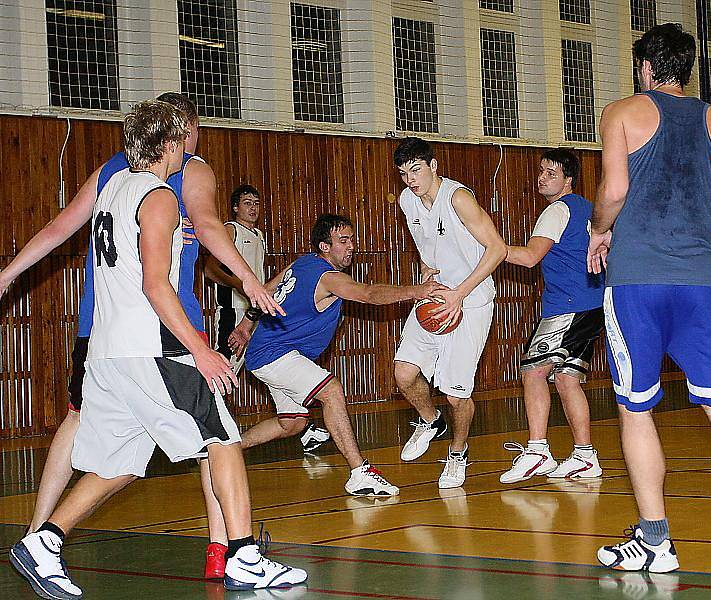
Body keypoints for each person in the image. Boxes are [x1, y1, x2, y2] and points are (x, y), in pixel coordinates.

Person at [9, 100, 306, 600]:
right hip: (153, 347)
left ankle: (45, 540)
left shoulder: (113, 190)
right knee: (223, 437)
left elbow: (80, 238)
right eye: (184, 139)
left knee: (121, 463)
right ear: (171, 144)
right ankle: (242, 556)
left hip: (105, 351)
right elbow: (155, 285)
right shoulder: (160, 196)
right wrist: (200, 348)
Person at [589, 24, 711, 573]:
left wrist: (600, 230)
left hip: (636, 281)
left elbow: (615, 190)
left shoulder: (623, 112)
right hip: (702, 284)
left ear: (645, 67)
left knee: (636, 410)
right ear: (687, 69)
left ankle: (655, 541)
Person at [229, 214, 445, 496]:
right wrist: (416, 291)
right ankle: (360, 472)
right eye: (343, 241)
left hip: (268, 351)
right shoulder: (329, 277)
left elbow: (266, 289)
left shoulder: (302, 262)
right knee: (331, 391)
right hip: (275, 353)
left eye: (352, 239)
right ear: (324, 247)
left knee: (292, 423)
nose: (351, 246)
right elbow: (368, 294)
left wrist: (246, 325)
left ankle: (225, 449)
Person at [392, 137, 507, 489]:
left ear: (433, 166)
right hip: (435, 298)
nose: (410, 179)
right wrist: (427, 269)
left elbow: (498, 249)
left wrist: (460, 293)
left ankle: (457, 453)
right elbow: (426, 245)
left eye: (416, 170)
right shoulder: (407, 201)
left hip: (470, 302)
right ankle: (430, 420)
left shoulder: (458, 198)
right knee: (403, 374)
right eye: (403, 173)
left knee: (457, 394)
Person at [500, 149, 605, 484]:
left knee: (533, 371)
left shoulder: (557, 210)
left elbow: (530, 257)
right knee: (566, 378)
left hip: (569, 305)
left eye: (551, 173)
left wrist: (491, 248)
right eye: (541, 171)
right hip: (594, 303)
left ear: (568, 179)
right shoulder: (590, 209)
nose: (542, 178)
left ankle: (537, 450)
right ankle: (585, 456)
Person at [204, 184, 331, 453]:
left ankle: (301, 427)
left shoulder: (259, 235)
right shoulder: (230, 230)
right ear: (236, 207)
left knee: (278, 363)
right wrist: (242, 286)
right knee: (223, 371)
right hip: (233, 312)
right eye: (247, 202)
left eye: (257, 203)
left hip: (257, 313)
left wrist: (259, 299)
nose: (253, 207)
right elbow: (210, 269)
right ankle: (205, 431)